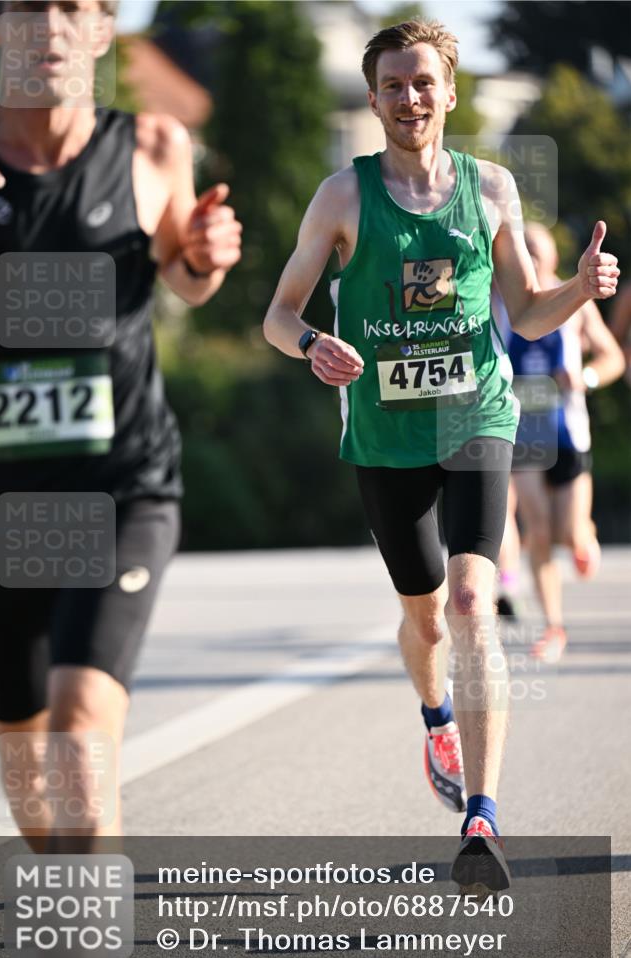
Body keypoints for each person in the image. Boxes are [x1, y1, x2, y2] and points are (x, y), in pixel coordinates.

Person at [263, 18, 619, 891]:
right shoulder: (341, 197)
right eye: (391, 85)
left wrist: (576, 289)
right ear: (376, 97)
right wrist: (311, 343)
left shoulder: (491, 188)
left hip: (476, 420)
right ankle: (435, 718)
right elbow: (277, 313)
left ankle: (482, 816)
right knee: (424, 617)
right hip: (385, 438)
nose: (408, 98)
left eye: (423, 83)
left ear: (449, 92)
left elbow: (527, 313)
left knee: (469, 600)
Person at [0, 1, 241, 958]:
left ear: (102, 31)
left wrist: (203, 255)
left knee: (84, 723)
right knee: (28, 766)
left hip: (120, 480)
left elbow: (181, 270)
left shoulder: (153, 142)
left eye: (75, 7)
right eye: (28, 6)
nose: (50, 24)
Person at [496, 223, 625, 663]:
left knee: (570, 533)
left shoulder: (575, 300)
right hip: (524, 431)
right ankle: (553, 626)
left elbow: (613, 358)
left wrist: (585, 378)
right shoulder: (500, 302)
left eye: (537, 250)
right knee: (539, 530)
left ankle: (584, 538)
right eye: (523, 249)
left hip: (568, 430)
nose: (529, 257)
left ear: (552, 257)